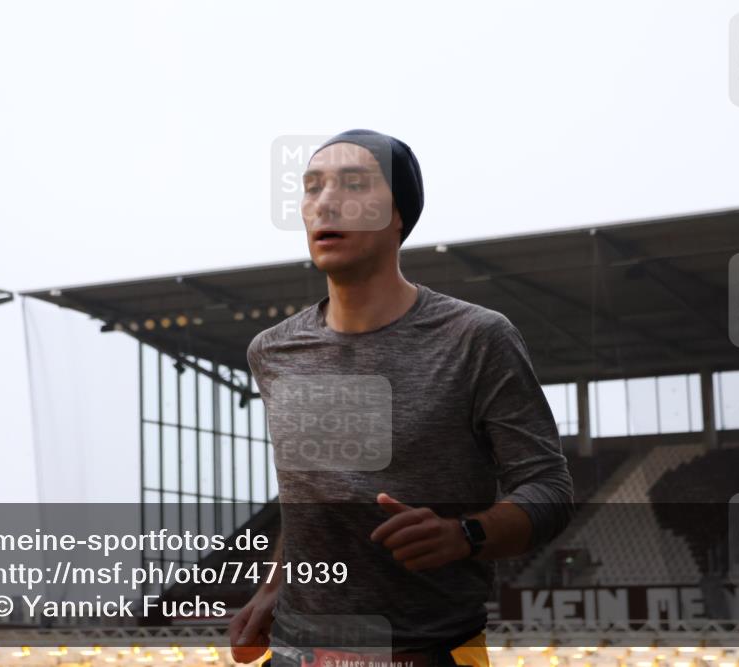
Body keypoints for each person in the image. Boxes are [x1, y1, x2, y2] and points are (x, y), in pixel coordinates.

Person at [230, 129, 575, 667]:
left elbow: (550, 487)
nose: (325, 202)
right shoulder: (273, 352)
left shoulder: (477, 338)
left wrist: (466, 534)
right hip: (299, 654)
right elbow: (306, 502)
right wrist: (275, 585)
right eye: (312, 187)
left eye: (353, 184)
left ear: (399, 215)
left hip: (430, 652)